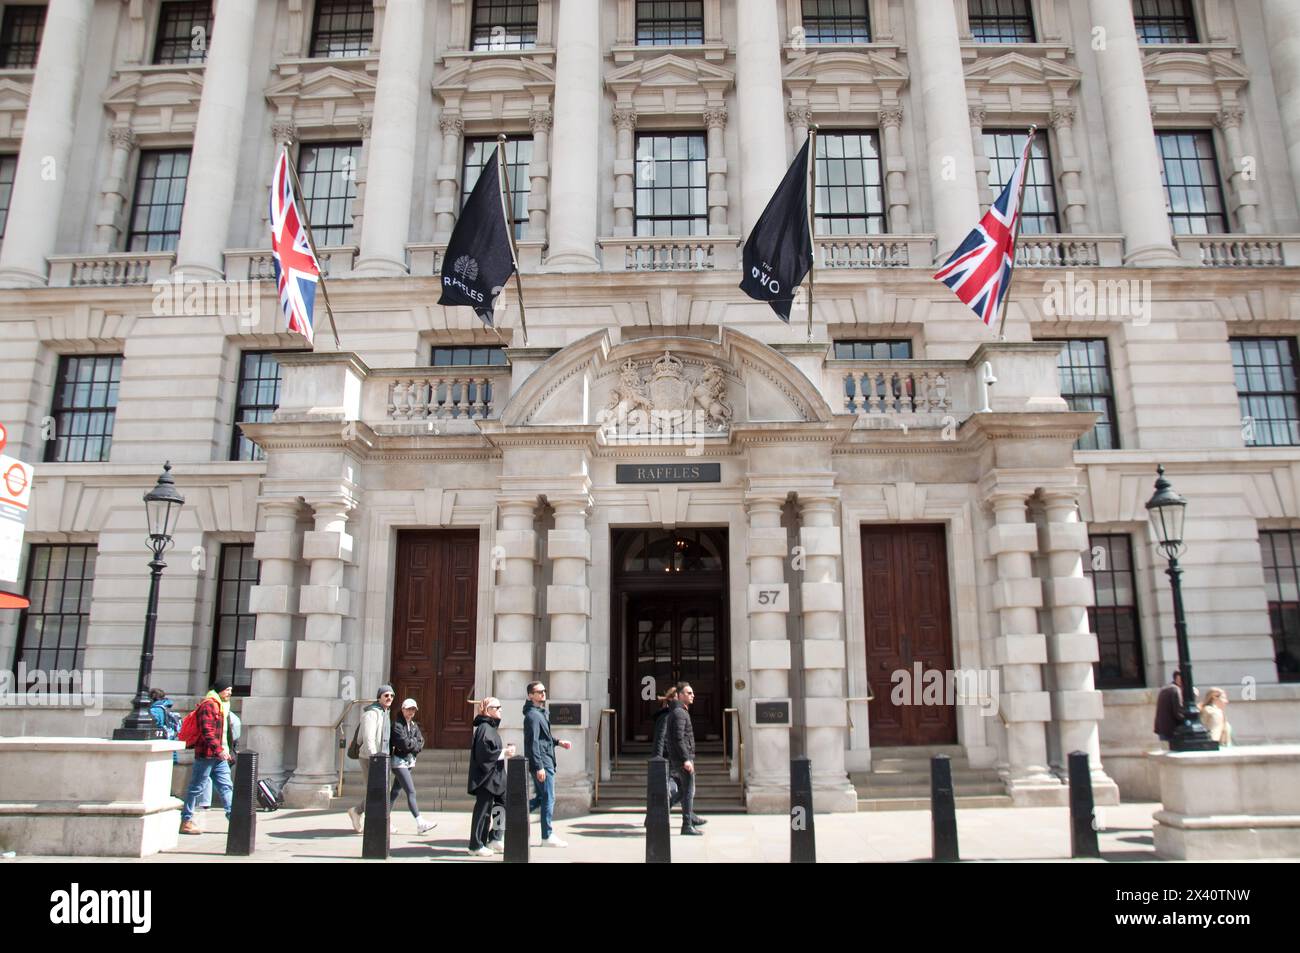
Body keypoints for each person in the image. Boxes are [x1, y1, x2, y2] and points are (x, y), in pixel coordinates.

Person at [179, 679, 235, 834]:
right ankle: (186, 820)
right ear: (220, 690)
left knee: (226, 786)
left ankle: (234, 819)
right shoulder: (209, 704)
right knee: (196, 788)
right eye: (228, 690)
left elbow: (223, 732)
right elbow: (207, 731)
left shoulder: (221, 705)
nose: (230, 693)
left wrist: (225, 750)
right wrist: (219, 749)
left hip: (219, 755)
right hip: (206, 755)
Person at [522, 681, 573, 848]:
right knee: (548, 798)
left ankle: (511, 817)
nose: (543, 693)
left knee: (540, 798)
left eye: (544, 691)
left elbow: (544, 738)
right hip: (543, 762)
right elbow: (533, 743)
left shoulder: (539, 713)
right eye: (539, 692)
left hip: (545, 759)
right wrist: (539, 767)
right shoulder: (533, 716)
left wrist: (558, 742)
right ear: (530, 695)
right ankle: (547, 835)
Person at [467, 697, 514, 856]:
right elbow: (483, 754)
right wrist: (503, 753)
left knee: (502, 805)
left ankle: (495, 838)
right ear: (488, 710)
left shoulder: (490, 727)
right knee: (483, 811)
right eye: (497, 707)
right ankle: (476, 845)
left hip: (497, 776)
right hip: (485, 778)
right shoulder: (484, 728)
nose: (500, 709)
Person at [347, 685, 394, 834]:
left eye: (391, 696)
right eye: (386, 695)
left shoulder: (384, 713)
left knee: (379, 790)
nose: (389, 698)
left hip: (382, 757)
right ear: (379, 697)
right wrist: (375, 758)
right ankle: (377, 821)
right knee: (375, 790)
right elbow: (368, 738)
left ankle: (358, 811)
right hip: (370, 758)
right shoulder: (371, 714)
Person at [390, 698, 437, 834]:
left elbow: (420, 741)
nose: (411, 712)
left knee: (394, 792)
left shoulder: (414, 725)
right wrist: (413, 744)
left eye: (413, 710)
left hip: (409, 762)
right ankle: (420, 822)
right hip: (399, 763)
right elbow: (404, 744)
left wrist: (413, 744)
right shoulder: (397, 725)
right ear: (403, 709)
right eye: (408, 709)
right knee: (411, 791)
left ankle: (384, 820)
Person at [665, 681, 703, 836]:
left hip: (679, 758)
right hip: (682, 759)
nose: (693, 695)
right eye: (689, 693)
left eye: (692, 693)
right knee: (688, 790)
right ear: (680, 695)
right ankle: (687, 824)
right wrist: (686, 759)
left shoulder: (678, 711)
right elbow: (679, 738)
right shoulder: (680, 713)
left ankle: (669, 810)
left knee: (684, 790)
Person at [149, 687, 181, 763]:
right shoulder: (167, 706)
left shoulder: (155, 710)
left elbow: (153, 724)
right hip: (170, 741)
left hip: (159, 743)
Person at [1153, 669, 1183, 743]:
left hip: (1162, 729)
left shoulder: (1165, 688)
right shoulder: (1175, 690)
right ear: (1178, 678)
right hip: (1172, 730)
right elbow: (1178, 712)